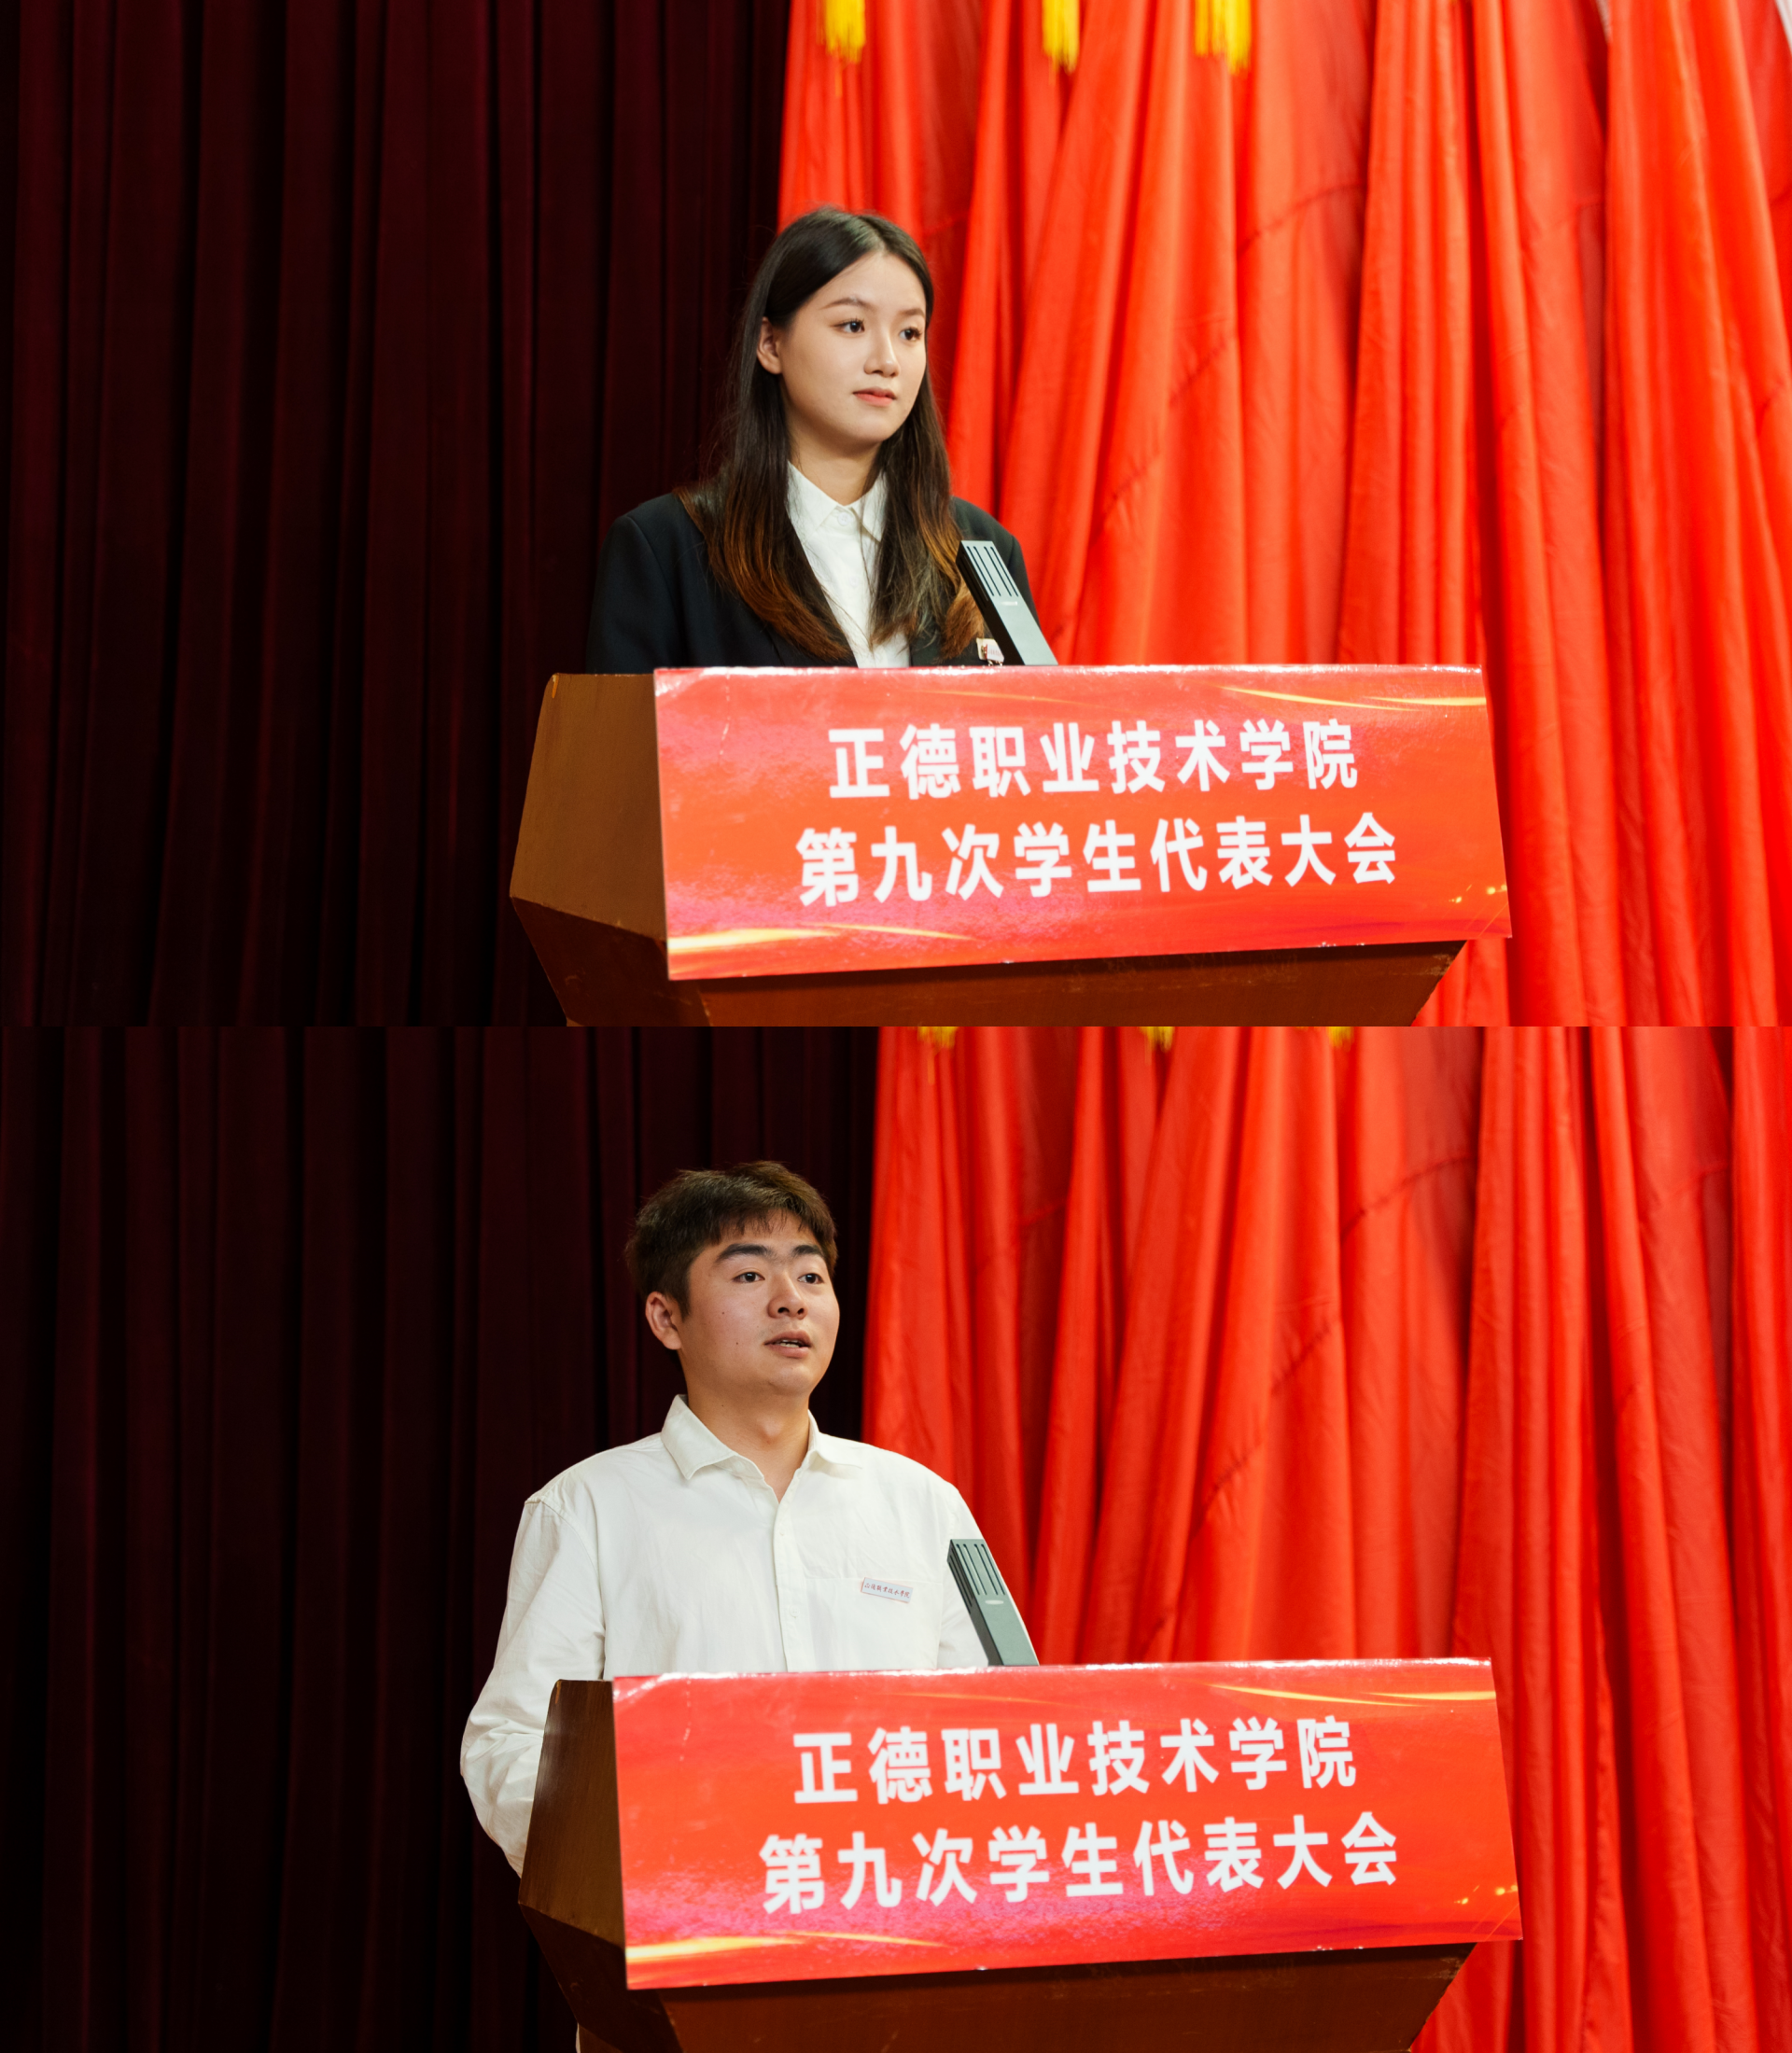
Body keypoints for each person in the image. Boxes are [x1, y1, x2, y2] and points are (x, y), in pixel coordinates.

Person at [460, 1160, 990, 1877]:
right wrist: (653, 1862)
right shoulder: (588, 1507)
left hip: (895, 1899)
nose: (790, 1301)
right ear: (667, 1318)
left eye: (811, 1276)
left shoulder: (926, 1504)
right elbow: (515, 1745)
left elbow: (1001, 1725)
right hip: (688, 1907)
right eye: (749, 1275)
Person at [586, 207, 1038, 671]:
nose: (887, 361)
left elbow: (1042, 713)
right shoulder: (664, 550)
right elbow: (621, 722)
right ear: (771, 344)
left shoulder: (985, 550)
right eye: (853, 325)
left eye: (909, 332)